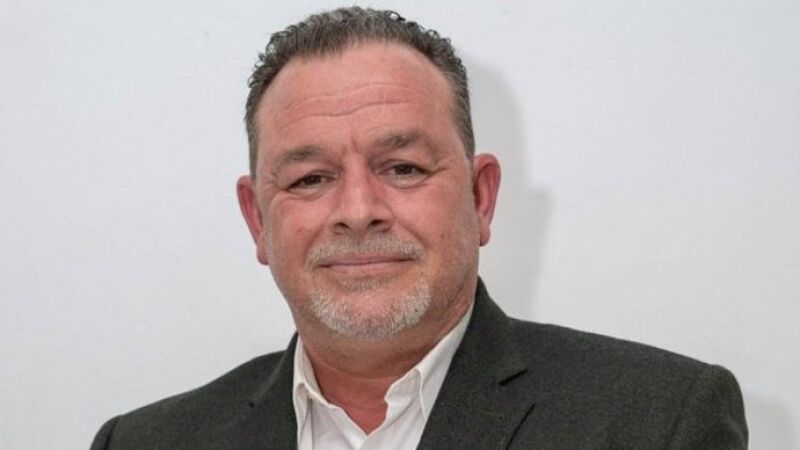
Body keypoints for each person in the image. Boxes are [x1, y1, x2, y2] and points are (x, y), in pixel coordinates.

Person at [91, 7, 748, 449]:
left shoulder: (659, 423)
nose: (358, 210)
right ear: (257, 220)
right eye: (311, 178)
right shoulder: (146, 443)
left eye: (402, 168)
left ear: (480, 198)